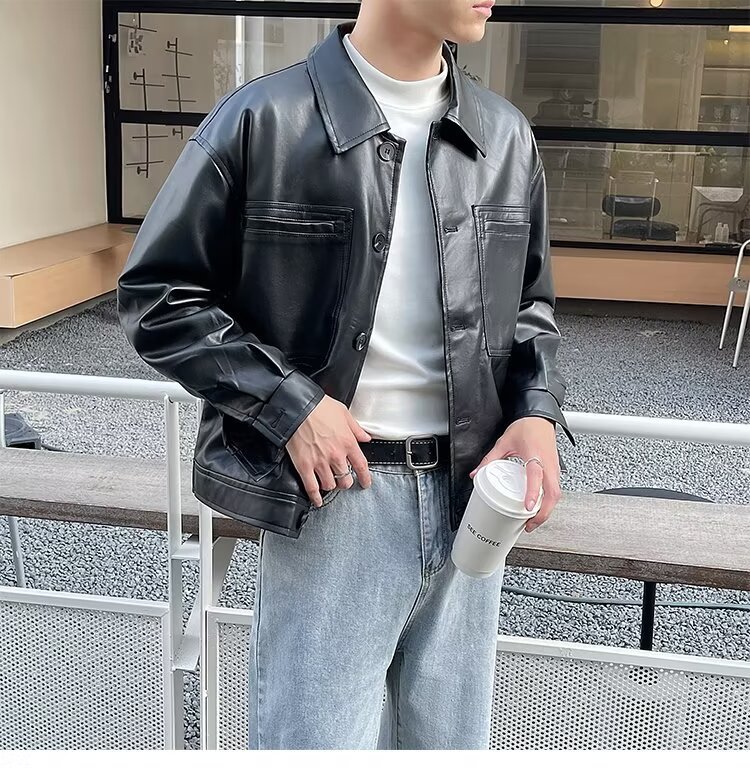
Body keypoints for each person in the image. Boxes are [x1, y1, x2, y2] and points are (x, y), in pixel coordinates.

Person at [117, 0, 575, 751]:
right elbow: (159, 296)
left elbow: (529, 305)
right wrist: (290, 405)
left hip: (473, 494)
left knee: (449, 753)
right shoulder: (264, 121)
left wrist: (534, 409)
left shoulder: (504, 136)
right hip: (337, 498)